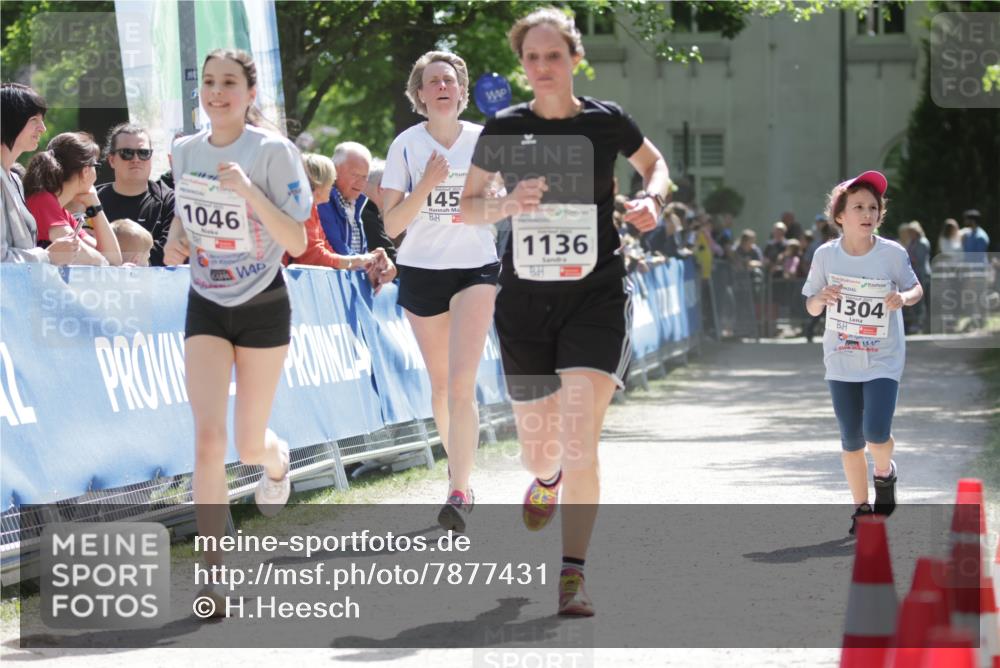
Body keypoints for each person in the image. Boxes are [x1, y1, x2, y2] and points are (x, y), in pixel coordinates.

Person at [459, 8, 671, 616]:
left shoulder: (607, 123)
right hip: (524, 305)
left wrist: (652, 199)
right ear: (521, 66)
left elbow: (655, 165)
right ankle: (544, 480)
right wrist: (504, 204)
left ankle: (572, 573)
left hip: (596, 297)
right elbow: (468, 206)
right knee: (538, 452)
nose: (544, 67)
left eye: (555, 56)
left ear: (575, 58)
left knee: (580, 440)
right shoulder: (502, 128)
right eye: (533, 58)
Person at [162, 48, 312, 616]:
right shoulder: (184, 150)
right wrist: (177, 237)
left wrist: (249, 191)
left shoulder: (272, 151)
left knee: (248, 444)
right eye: (208, 82)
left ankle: (276, 462)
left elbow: (296, 240)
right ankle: (212, 575)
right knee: (207, 440)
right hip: (205, 302)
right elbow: (188, 210)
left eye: (229, 83)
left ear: (250, 94)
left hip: (262, 304)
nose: (217, 92)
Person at [381, 50, 500, 533]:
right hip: (423, 269)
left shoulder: (483, 141)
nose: (442, 87)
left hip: (475, 268)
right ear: (420, 94)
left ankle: (457, 488)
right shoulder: (405, 146)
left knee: (461, 382)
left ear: (462, 91)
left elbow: (502, 206)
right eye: (433, 82)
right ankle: (463, 476)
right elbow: (391, 225)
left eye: (450, 80)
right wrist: (426, 185)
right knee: (440, 385)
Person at [802, 171, 922, 535]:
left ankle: (885, 473)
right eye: (858, 207)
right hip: (840, 358)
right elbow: (809, 305)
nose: (867, 213)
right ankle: (861, 508)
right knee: (851, 438)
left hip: (883, 357)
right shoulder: (826, 256)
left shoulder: (892, 254)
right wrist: (820, 299)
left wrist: (903, 298)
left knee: (875, 433)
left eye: (873, 207)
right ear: (840, 216)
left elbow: (916, 289)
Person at [1, 83, 83, 264]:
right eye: (34, 120)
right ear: (11, 121)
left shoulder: (13, 179)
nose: (43, 128)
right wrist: (48, 256)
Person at [286, 152, 393, 286]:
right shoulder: (305, 209)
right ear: (319, 185)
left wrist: (364, 260)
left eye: (364, 177)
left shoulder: (311, 208)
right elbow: (316, 255)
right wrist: (361, 260)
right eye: (331, 183)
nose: (332, 189)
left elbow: (325, 248)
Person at [24, 132, 122, 266]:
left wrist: (95, 205)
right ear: (86, 171)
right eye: (97, 167)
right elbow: (80, 251)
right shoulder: (43, 200)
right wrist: (106, 265)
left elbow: (114, 258)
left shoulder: (62, 213)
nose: (97, 175)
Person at [97, 123, 176, 266]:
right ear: (112, 160)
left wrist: (118, 263)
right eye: (126, 153)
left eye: (143, 153)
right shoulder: (93, 200)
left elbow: (170, 249)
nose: (136, 159)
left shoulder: (170, 201)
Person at [360, 157, 399, 262]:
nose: (398, 196)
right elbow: (391, 260)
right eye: (396, 189)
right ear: (382, 187)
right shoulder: (367, 216)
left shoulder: (362, 212)